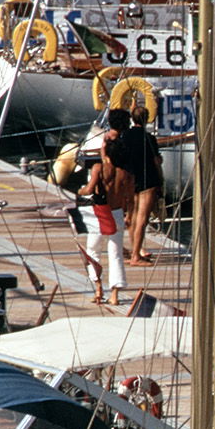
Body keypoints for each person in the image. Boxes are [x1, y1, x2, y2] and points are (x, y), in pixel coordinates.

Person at [105, 108, 163, 265]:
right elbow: (156, 162)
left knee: (131, 216)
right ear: (147, 119)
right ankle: (136, 255)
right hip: (147, 180)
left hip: (130, 180)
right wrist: (161, 181)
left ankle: (135, 250)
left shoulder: (125, 136)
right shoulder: (149, 138)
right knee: (142, 218)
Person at [78, 150, 131, 306]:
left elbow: (88, 190)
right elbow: (129, 197)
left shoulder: (98, 168)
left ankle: (98, 288)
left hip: (100, 213)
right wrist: (129, 215)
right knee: (116, 255)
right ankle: (114, 295)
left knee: (93, 250)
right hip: (117, 213)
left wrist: (78, 191)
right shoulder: (124, 172)